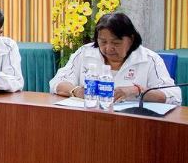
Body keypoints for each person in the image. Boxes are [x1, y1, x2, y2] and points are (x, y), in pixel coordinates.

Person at [50, 12, 180, 104]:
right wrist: (76, 91)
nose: (108, 48)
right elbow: (57, 82)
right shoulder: (85, 53)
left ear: (131, 39)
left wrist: (136, 91)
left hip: (133, 123)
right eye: (103, 42)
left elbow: (174, 97)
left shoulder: (149, 59)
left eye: (116, 43)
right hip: (90, 118)